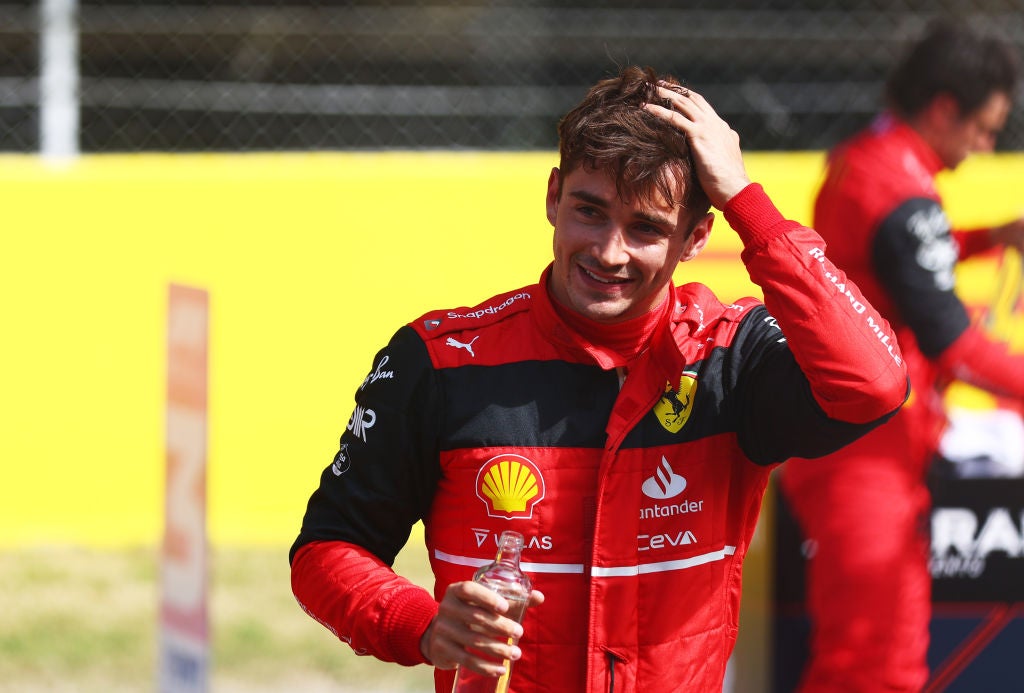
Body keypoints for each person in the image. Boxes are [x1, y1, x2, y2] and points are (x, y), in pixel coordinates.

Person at [290, 65, 908, 692]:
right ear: (554, 197)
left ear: (696, 236)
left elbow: (874, 384)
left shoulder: (730, 355)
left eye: (646, 228)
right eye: (590, 211)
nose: (609, 252)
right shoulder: (440, 360)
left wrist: (748, 203)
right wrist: (420, 623)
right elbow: (327, 550)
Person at [779, 19, 1024, 693]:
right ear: (945, 108)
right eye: (986, 127)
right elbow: (956, 343)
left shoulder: (873, 158)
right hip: (861, 451)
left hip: (866, 442)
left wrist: (987, 236)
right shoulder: (898, 187)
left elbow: (884, 267)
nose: (986, 145)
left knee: (890, 658)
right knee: (870, 664)